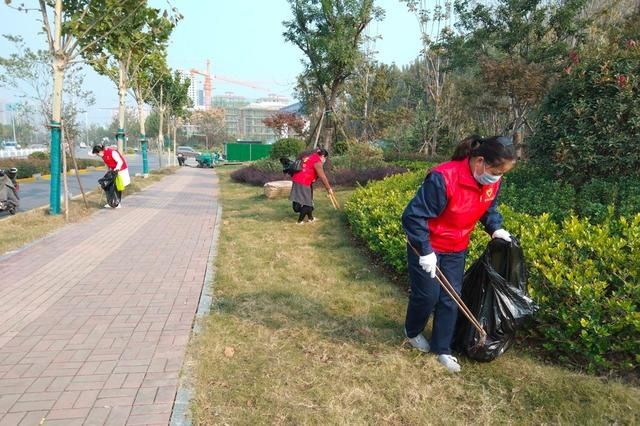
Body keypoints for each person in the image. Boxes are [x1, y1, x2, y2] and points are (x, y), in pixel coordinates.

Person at [401, 135, 516, 373]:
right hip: (427, 246)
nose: (497, 177)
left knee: (451, 298)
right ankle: (412, 331)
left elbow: (488, 207)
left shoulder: (492, 181)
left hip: (456, 247)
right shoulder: (444, 177)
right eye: (496, 170)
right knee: (428, 296)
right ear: (480, 161)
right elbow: (413, 215)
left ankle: (442, 348)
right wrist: (425, 251)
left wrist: (496, 228)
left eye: (502, 173)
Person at [289, 147, 333, 224]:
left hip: (297, 180)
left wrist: (313, 178)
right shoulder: (317, 161)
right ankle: (299, 221)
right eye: (325, 158)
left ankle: (310, 218)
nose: (324, 160)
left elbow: (307, 169)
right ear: (322, 156)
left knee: (308, 200)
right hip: (303, 181)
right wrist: (329, 189)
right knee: (307, 203)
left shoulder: (309, 157)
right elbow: (322, 176)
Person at [92, 143, 130, 208]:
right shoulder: (103, 155)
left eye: (97, 154)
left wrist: (116, 170)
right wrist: (108, 172)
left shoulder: (112, 152)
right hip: (113, 171)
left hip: (120, 171)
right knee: (110, 187)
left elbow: (120, 161)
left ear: (101, 151)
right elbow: (108, 164)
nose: (98, 155)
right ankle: (111, 202)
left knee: (116, 187)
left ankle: (117, 203)